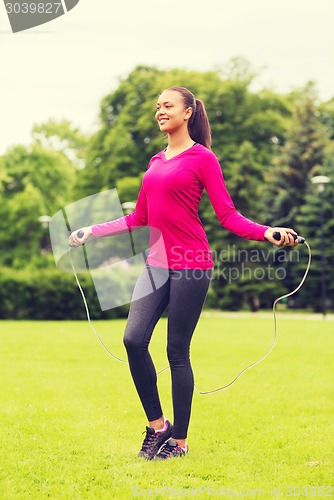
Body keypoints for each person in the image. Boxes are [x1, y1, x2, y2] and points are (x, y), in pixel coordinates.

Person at [69, 86, 298, 460]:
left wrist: (267, 232)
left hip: (192, 263)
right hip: (156, 263)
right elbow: (138, 217)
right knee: (133, 339)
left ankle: (179, 442)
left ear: (188, 112)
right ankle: (158, 426)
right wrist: (91, 231)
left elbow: (228, 215)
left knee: (176, 350)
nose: (160, 111)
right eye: (157, 106)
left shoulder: (203, 158)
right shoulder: (155, 162)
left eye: (168, 106)